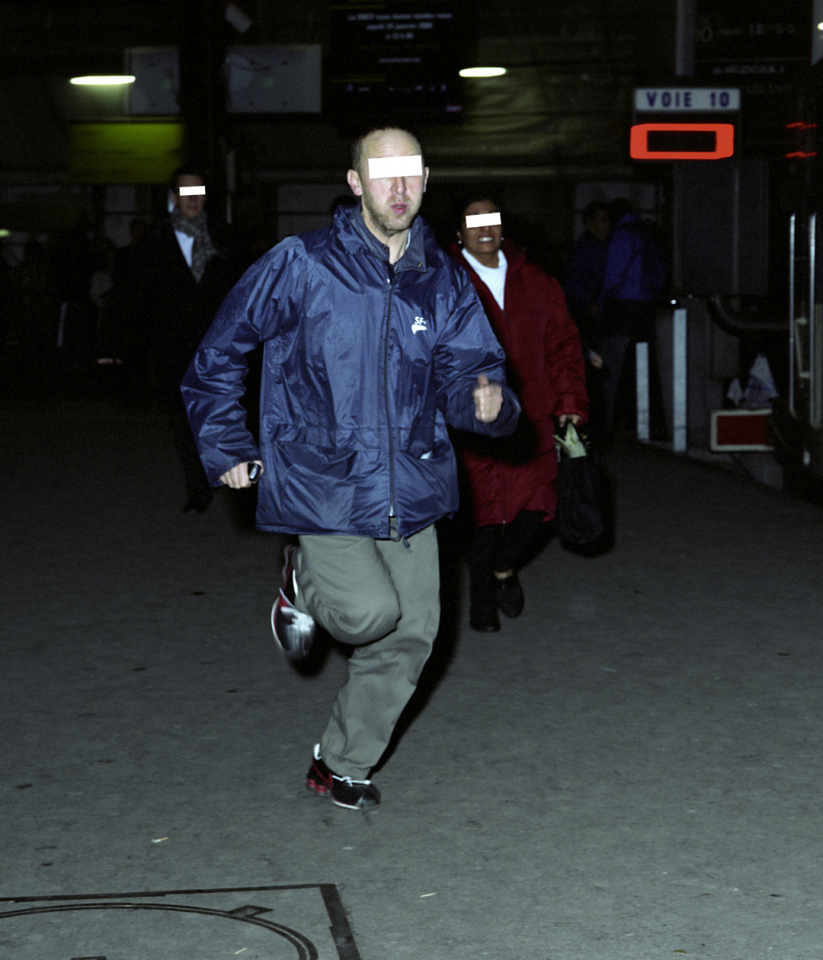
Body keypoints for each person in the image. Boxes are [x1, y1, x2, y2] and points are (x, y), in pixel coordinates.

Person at [181, 127, 521, 810]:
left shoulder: (441, 278)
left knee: (414, 631)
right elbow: (217, 356)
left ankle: (339, 763)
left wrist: (490, 401)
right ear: (355, 181)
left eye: (412, 175)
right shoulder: (300, 264)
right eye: (383, 174)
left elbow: (472, 372)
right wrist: (228, 445)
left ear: (426, 182)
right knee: (368, 614)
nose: (399, 189)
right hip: (322, 479)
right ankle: (302, 579)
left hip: (414, 480)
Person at [449, 195, 589, 631]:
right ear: (458, 234)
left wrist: (570, 404)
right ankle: (482, 605)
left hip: (532, 416)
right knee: (483, 516)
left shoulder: (539, 283)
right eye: (473, 222)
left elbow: (563, 347)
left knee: (539, 508)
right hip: (472, 420)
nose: (484, 228)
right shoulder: (444, 283)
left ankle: (504, 569)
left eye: (492, 220)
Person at [132, 167, 233, 512]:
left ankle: (223, 472)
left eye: (199, 191)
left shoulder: (225, 238)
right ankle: (199, 486)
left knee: (221, 413)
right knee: (184, 421)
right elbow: (138, 297)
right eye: (185, 192)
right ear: (173, 198)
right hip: (173, 347)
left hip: (220, 348)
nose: (193, 198)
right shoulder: (154, 242)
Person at [594, 198, 666, 436]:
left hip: (621, 311)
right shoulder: (647, 235)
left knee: (611, 370)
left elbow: (613, 273)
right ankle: (645, 428)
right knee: (641, 371)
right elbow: (660, 272)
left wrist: (599, 298)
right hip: (645, 312)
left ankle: (607, 426)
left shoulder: (623, 236)